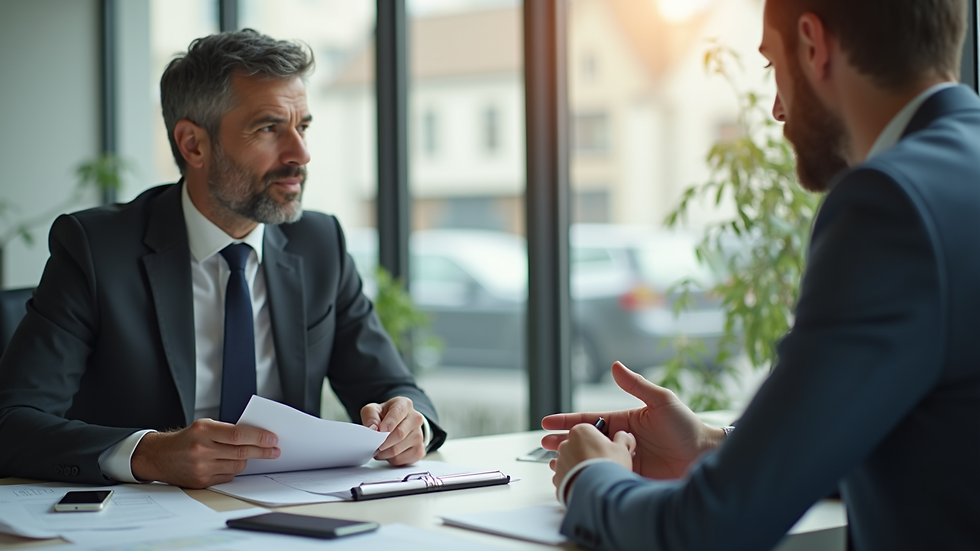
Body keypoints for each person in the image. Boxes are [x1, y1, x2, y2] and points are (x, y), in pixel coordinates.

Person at [541, 0, 980, 549]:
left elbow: (711, 529)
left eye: (773, 66)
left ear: (813, 45)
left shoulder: (891, 205)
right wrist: (712, 445)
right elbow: (934, 445)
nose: (775, 109)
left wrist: (590, 478)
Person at [0, 30, 445, 489]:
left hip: (293, 514)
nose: (301, 154)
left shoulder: (318, 241)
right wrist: (147, 453)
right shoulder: (95, 248)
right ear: (193, 144)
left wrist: (411, 425)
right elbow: (12, 424)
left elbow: (395, 389)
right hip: (151, 522)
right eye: (269, 128)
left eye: (303, 126)